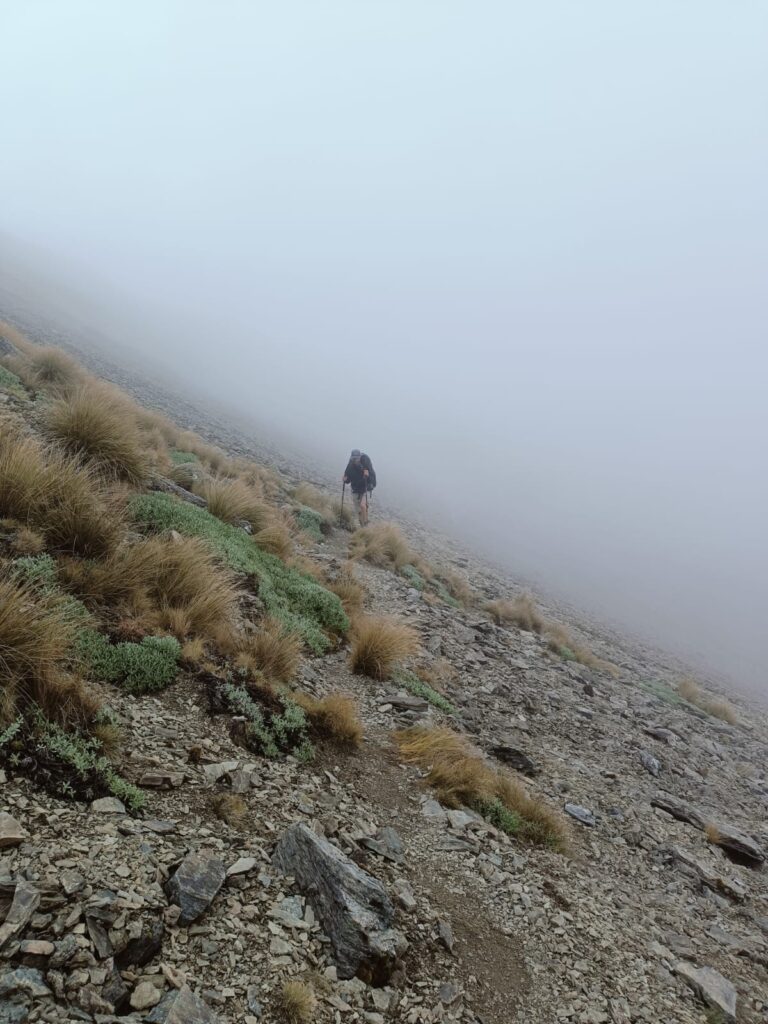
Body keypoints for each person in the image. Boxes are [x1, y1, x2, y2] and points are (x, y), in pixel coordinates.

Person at [343, 449, 376, 526]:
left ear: (360, 457)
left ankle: (365, 524)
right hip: (355, 488)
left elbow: (372, 478)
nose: (355, 460)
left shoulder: (366, 462)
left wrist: (367, 477)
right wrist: (345, 479)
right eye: (354, 458)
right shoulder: (350, 465)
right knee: (358, 510)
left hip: (366, 487)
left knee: (362, 505)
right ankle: (362, 525)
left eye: (357, 458)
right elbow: (347, 479)